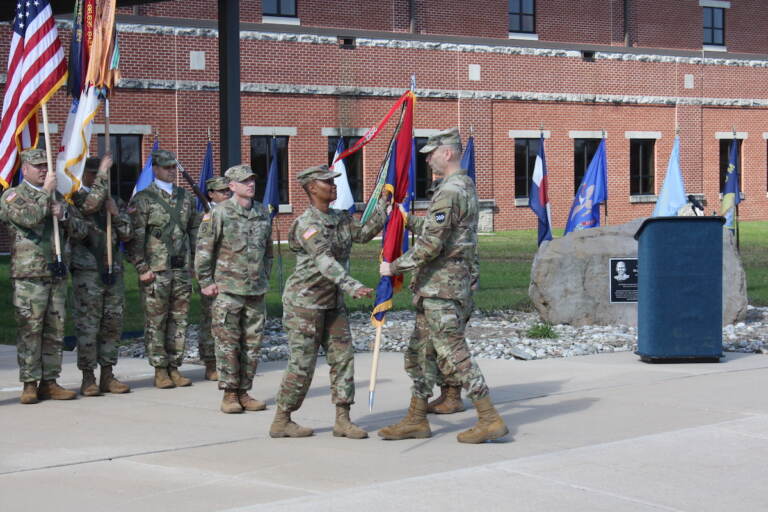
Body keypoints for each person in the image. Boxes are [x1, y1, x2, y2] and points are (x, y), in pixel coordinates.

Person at [378, 127, 508, 443]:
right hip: (437, 287)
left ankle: (489, 417)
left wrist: (392, 267)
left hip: (443, 289)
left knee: (453, 353)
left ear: (446, 153)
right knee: (420, 353)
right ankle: (416, 418)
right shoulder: (462, 186)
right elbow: (446, 231)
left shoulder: (451, 191)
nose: (428, 162)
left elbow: (431, 247)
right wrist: (408, 220)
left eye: (431, 155)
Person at [270, 164, 387, 439]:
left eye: (334, 182)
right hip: (305, 303)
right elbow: (324, 261)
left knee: (343, 358)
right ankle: (282, 419)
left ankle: (343, 419)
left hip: (332, 302)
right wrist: (351, 285)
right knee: (303, 363)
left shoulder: (340, 218)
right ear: (312, 188)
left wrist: (384, 206)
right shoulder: (306, 224)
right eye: (327, 183)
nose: (333, 186)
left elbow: (363, 234)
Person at [0, 148, 88, 404]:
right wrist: (43, 196)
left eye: (44, 166)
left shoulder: (56, 196)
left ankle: (50, 381)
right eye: (37, 166)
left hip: (56, 273)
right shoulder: (12, 196)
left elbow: (81, 230)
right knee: (30, 329)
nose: (42, 170)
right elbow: (28, 218)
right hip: (29, 276)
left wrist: (65, 214)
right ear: (24, 169)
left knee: (55, 329)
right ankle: (29, 383)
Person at [195, 165, 272, 413]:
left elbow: (267, 251)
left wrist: (264, 276)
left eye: (252, 180)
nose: (250, 184)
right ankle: (229, 394)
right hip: (227, 289)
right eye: (244, 181)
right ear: (232, 186)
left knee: (252, 343)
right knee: (228, 343)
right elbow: (204, 249)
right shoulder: (219, 213)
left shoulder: (261, 212)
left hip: (255, 289)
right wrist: (206, 282)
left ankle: (244, 391)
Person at [126, 149, 200, 389]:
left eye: (172, 167)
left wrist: (194, 263)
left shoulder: (186, 198)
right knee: (156, 321)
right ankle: (160, 369)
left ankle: (175, 366)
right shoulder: (144, 199)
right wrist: (141, 267)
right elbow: (135, 238)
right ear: (155, 169)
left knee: (179, 320)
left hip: (180, 269)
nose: (170, 171)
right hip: (156, 269)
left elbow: (193, 231)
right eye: (166, 167)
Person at [70, 155, 133, 396]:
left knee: (112, 324)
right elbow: (89, 206)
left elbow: (127, 234)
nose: (99, 178)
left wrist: (116, 213)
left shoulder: (111, 200)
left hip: (112, 270)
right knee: (88, 326)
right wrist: (104, 174)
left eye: (102, 174)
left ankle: (108, 373)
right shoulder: (75, 199)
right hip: (88, 271)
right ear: (85, 175)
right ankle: (88, 377)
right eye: (95, 174)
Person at [197, 175, 232, 381]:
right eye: (222, 191)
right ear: (211, 194)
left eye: (228, 190)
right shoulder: (205, 215)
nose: (227, 194)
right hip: (212, 276)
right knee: (211, 321)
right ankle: (211, 363)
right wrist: (204, 278)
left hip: (231, 275)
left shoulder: (233, 212)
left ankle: (229, 362)